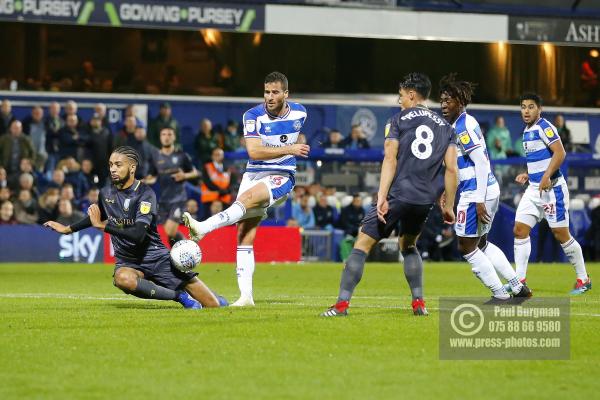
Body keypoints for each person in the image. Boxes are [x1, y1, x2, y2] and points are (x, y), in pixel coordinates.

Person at [320, 72, 458, 317]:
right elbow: (452, 169)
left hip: (398, 194)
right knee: (409, 245)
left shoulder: (397, 121)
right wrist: (449, 205)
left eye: (402, 95)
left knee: (361, 245)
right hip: (424, 200)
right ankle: (418, 303)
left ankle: (341, 305)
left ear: (412, 95)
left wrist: (381, 196)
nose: (399, 101)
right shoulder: (447, 128)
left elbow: (390, 159)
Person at [44, 146, 227, 309]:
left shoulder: (145, 194)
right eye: (111, 165)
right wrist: (68, 229)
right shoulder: (106, 193)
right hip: (128, 261)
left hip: (156, 257)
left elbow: (139, 234)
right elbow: (95, 217)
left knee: (213, 306)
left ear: (132, 168)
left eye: (118, 165)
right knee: (122, 279)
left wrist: (102, 226)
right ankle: (179, 296)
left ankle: (215, 297)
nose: (113, 169)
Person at [183, 71, 309, 307]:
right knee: (244, 232)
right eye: (266, 92)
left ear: (286, 94)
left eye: (275, 92)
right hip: (253, 172)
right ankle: (246, 297)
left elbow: (287, 141)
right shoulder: (252, 116)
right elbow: (254, 151)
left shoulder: (301, 112)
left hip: (282, 175)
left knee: (248, 199)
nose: (269, 97)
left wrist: (290, 151)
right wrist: (291, 148)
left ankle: (203, 228)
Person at [439, 74, 531, 302]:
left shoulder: (462, 126)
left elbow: (481, 162)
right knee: (481, 243)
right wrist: (448, 190)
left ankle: (500, 295)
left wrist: (479, 199)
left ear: (459, 102)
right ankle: (517, 288)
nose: (443, 105)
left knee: (466, 247)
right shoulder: (462, 124)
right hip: (484, 189)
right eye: (441, 100)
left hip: (476, 193)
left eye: (448, 100)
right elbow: (465, 165)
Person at [513, 93, 591, 295]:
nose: (527, 111)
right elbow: (541, 160)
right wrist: (529, 175)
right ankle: (519, 281)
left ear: (540, 109)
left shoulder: (544, 126)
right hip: (534, 189)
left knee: (561, 235)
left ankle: (583, 279)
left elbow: (560, 152)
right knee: (519, 230)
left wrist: (547, 176)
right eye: (523, 107)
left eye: (531, 107)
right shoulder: (526, 131)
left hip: (552, 188)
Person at [145, 127, 199, 247]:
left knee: (170, 230)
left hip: (178, 199)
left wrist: (184, 175)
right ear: (160, 138)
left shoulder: (181, 155)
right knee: (169, 233)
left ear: (174, 137)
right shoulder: (155, 157)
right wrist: (142, 181)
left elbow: (195, 172)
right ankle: (178, 256)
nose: (166, 137)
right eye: (163, 134)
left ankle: (189, 249)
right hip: (163, 200)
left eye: (169, 134)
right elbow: (153, 177)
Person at [200, 148, 232, 219]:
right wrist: (220, 190)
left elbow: (231, 182)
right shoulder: (207, 167)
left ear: (223, 156)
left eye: (220, 155)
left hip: (224, 200)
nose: (218, 156)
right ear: (212, 156)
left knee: (225, 223)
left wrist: (226, 191)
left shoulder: (227, 168)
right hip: (210, 199)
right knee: (207, 222)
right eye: (216, 155)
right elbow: (207, 181)